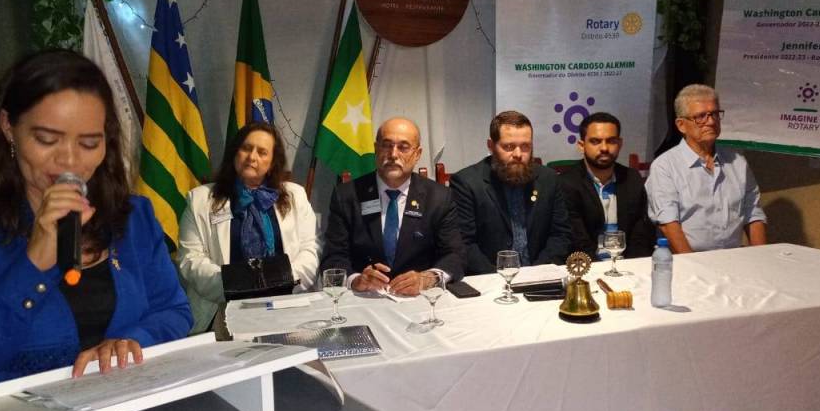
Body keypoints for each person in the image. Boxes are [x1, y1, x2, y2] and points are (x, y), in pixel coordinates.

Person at [0, 50, 193, 383]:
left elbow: (174, 311)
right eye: (47, 140)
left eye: (89, 143)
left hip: (128, 402)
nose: (69, 161)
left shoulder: (133, 216)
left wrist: (133, 342)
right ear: (8, 127)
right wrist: (33, 265)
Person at [177, 123, 318, 335]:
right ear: (235, 153)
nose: (252, 157)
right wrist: (238, 285)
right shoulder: (200, 200)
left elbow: (309, 252)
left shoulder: (295, 195)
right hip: (222, 310)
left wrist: (280, 282)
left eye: (262, 152)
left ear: (273, 162)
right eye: (246, 148)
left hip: (285, 306)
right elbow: (190, 260)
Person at [320, 117, 465, 295]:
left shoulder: (439, 197)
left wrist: (428, 279)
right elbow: (333, 257)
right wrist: (356, 280)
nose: (393, 154)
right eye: (386, 145)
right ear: (376, 149)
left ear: (417, 154)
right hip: (364, 297)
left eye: (403, 147)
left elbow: (455, 255)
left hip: (419, 298)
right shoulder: (347, 196)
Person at [645, 84, 767, 253]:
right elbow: (668, 224)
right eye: (701, 116)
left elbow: (753, 214)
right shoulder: (665, 166)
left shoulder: (737, 162)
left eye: (715, 114)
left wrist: (761, 257)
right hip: (686, 259)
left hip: (733, 258)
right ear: (681, 125)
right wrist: (694, 263)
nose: (711, 121)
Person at [450, 111, 572, 274]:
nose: (518, 154)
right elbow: (465, 244)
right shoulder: (466, 183)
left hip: (540, 274)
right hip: (489, 278)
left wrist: (537, 274)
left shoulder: (548, 178)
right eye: (508, 147)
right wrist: (499, 279)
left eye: (525, 146)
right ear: (491, 146)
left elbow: (561, 235)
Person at [558, 112, 655, 259]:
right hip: (587, 265)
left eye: (611, 141)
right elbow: (577, 240)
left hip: (628, 265)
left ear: (620, 144)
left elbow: (640, 235)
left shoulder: (632, 179)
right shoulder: (567, 183)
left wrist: (633, 267)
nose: (604, 148)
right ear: (581, 146)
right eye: (595, 141)